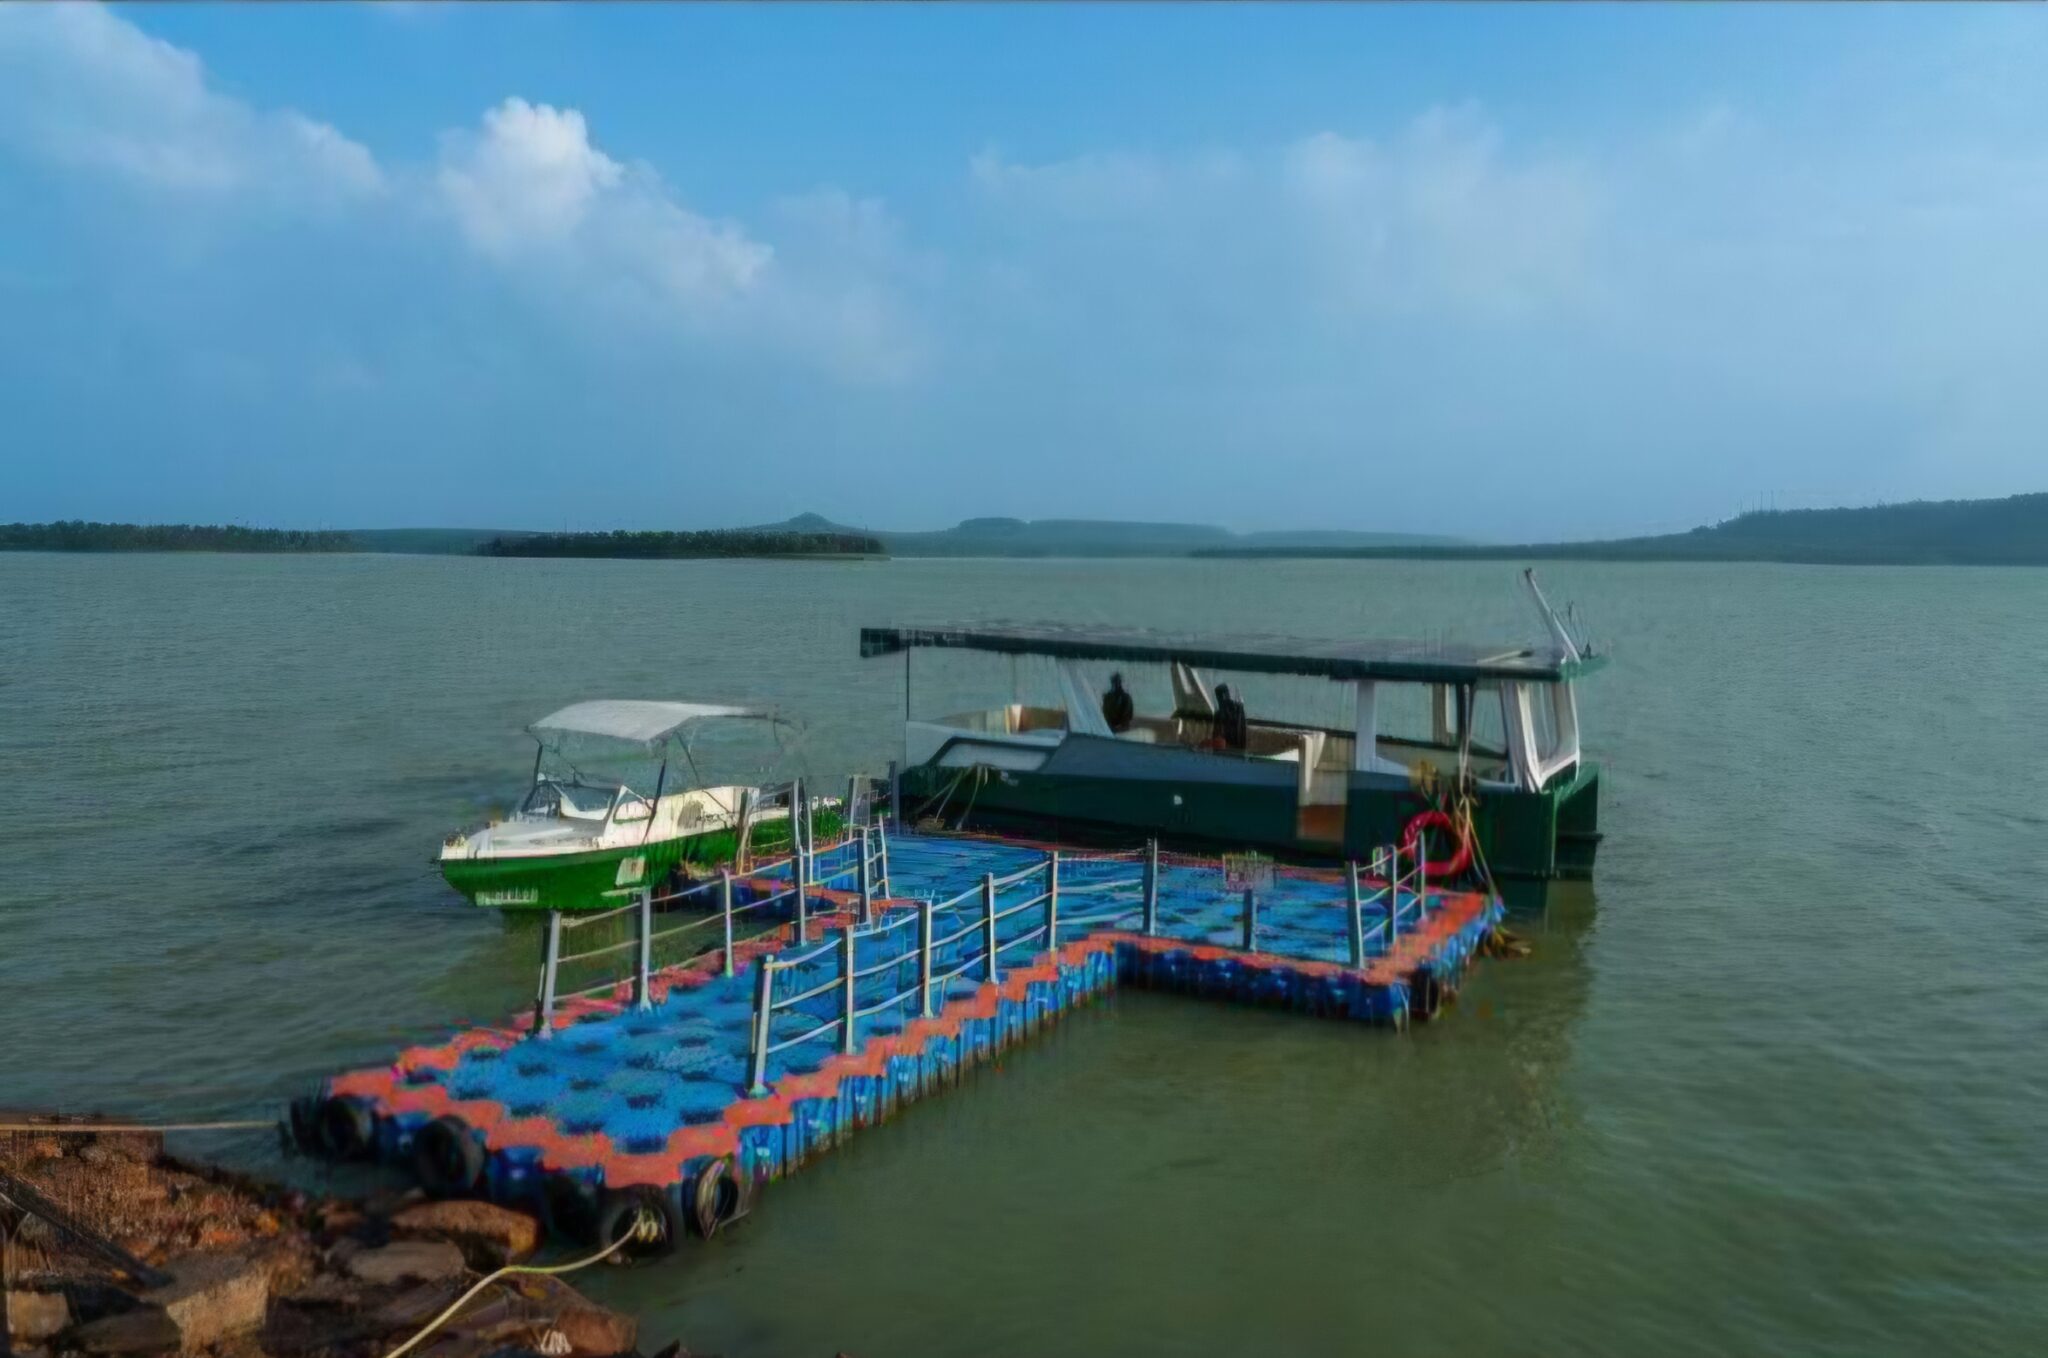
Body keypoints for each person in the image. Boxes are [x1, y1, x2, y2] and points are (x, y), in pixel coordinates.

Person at [1212, 683, 1248, 751]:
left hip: (1234, 748)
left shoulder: (1238, 710)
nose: (1220, 699)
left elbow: (1242, 732)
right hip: (1222, 748)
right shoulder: (1219, 713)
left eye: (1221, 695)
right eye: (1218, 696)